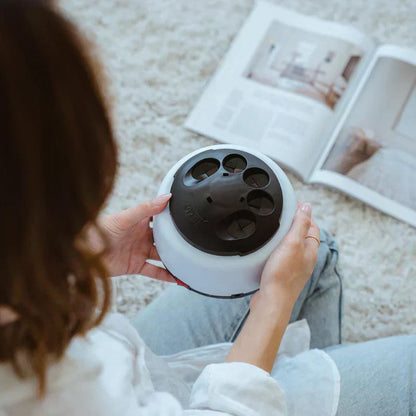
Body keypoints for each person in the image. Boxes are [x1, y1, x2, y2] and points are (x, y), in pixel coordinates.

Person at [0, 1, 415, 415]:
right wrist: (273, 303)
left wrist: (73, 257)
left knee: (310, 247)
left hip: (128, 368)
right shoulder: (55, 395)